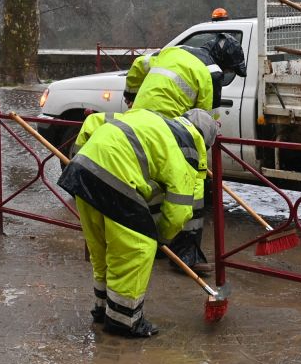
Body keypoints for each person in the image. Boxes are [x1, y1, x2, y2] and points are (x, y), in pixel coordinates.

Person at [58, 107, 219, 338]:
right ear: (204, 141)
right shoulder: (186, 150)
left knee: (104, 250)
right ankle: (124, 321)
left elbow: (94, 121)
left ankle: (103, 309)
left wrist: (80, 154)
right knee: (138, 248)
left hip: (83, 171)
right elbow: (179, 213)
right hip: (115, 177)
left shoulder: (152, 118)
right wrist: (160, 239)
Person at [123, 33, 247, 274]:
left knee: (153, 185)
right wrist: (200, 166)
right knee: (192, 191)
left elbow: (139, 65)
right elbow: (204, 124)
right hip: (169, 132)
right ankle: (185, 254)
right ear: (223, 61)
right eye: (229, 68)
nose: (227, 72)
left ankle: (155, 244)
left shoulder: (173, 51)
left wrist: (130, 95)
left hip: (138, 124)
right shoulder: (212, 74)